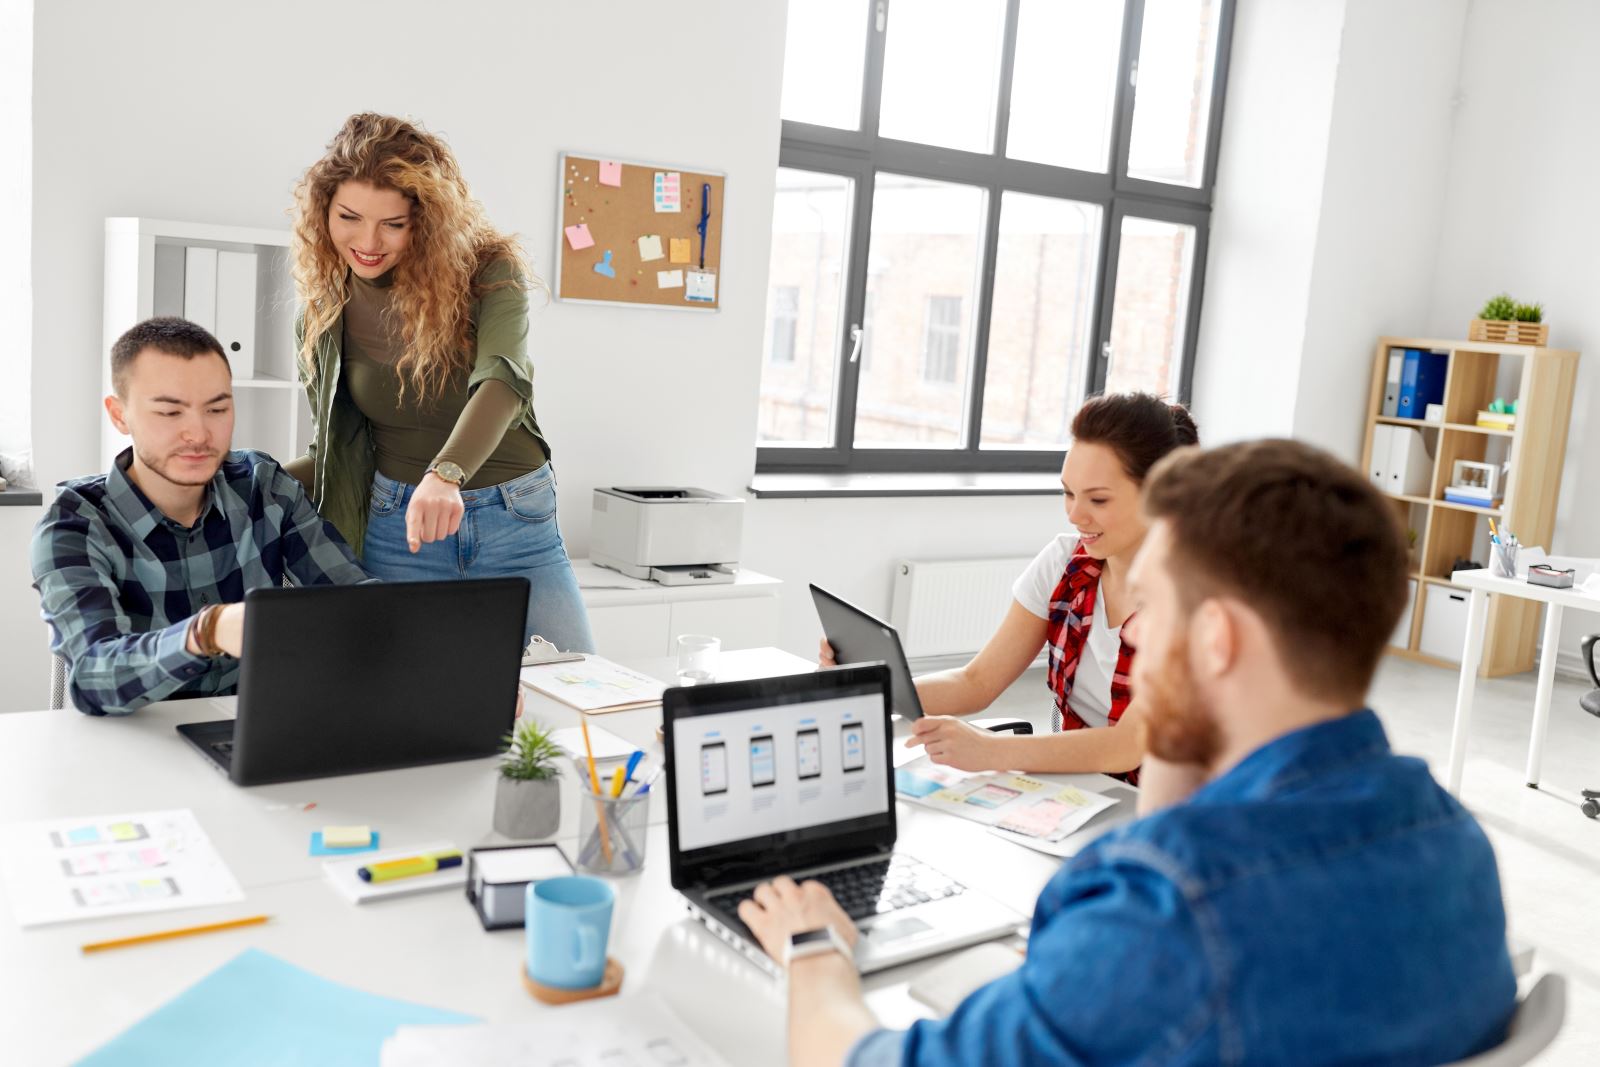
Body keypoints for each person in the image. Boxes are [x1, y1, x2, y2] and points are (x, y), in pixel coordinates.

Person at [747, 439, 1517, 1066]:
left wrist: (812, 943)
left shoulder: (1166, 912)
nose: (1134, 632)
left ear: (1217, 639)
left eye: (1152, 605)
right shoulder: (1455, 841)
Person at [286, 112, 594, 653]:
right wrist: (241, 478)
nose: (367, 241)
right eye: (349, 217)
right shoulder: (323, 314)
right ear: (323, 212)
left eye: (393, 224)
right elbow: (336, 449)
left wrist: (446, 474)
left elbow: (503, 379)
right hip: (400, 529)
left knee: (577, 692)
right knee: (401, 707)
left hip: (516, 520)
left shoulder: (488, 272)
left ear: (424, 220)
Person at [825, 392, 1197, 779]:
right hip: (1087, 784)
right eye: (1068, 493)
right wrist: (868, 686)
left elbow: (1125, 746)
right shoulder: (1064, 564)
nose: (1074, 514)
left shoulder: (1197, 598)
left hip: (1169, 801)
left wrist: (990, 750)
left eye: (1098, 500)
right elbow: (977, 682)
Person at [32, 318, 371, 716]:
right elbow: (94, 677)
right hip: (131, 747)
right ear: (120, 415)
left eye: (216, 408)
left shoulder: (264, 486)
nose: (199, 433)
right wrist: (204, 632)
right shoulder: (73, 524)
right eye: (170, 413)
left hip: (255, 731)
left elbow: (357, 599)